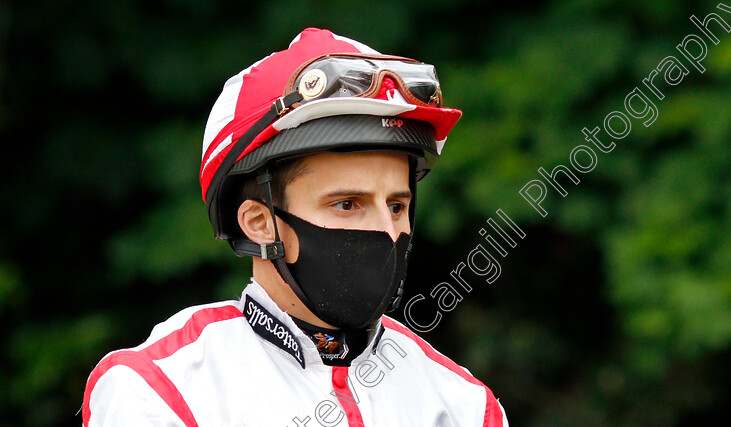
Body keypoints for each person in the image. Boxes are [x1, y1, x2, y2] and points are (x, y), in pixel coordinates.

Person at [82, 28, 508, 426]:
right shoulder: (158, 390)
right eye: (347, 204)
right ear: (258, 222)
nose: (386, 230)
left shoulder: (464, 404)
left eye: (397, 205)